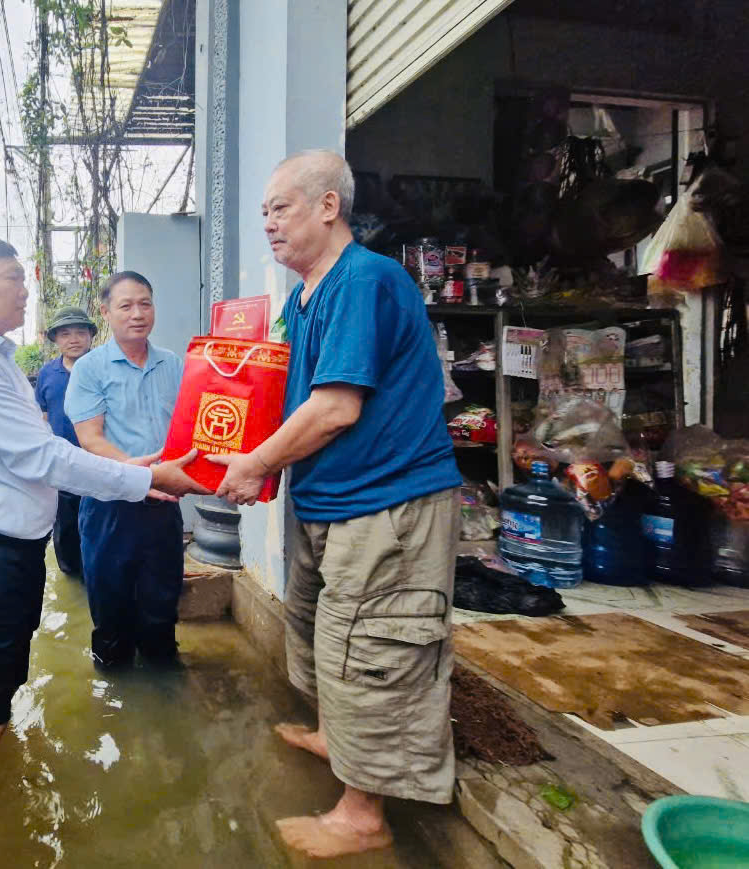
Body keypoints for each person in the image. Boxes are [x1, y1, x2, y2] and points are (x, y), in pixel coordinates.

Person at [210, 150, 462, 858]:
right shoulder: (304, 297)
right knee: (323, 628)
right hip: (328, 499)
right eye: (263, 212)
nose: (268, 223)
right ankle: (337, 737)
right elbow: (276, 395)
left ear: (328, 206)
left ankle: (362, 814)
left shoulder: (362, 280)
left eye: (280, 208)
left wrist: (256, 462)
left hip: (388, 500)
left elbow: (336, 407)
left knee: (371, 644)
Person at [0, 234, 208, 785]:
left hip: (15, 549)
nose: (26, 291)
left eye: (146, 303)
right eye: (13, 278)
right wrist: (142, 476)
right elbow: (46, 453)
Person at [64, 273, 185, 668]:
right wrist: (138, 476)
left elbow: (189, 430)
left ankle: (163, 690)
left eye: (145, 304)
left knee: (162, 605)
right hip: (109, 505)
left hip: (163, 503)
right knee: (111, 608)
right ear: (106, 312)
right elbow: (91, 439)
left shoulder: (175, 364)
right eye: (126, 305)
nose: (138, 314)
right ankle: (113, 691)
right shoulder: (90, 368)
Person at [34, 306, 97, 576]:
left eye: (81, 332)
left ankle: (97, 571)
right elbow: (43, 418)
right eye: (65, 334)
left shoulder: (102, 367)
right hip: (62, 464)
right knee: (65, 526)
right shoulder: (47, 374)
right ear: (56, 340)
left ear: (90, 336)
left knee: (98, 522)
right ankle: (72, 578)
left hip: (99, 460)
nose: (74, 339)